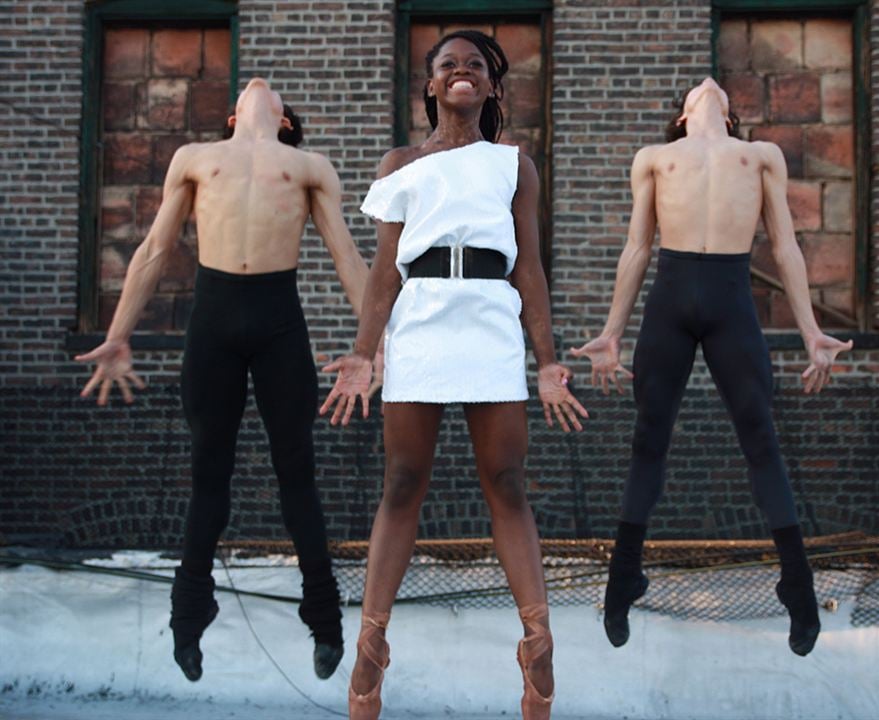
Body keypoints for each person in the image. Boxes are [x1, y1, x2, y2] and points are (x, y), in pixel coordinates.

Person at [320, 30, 587, 720]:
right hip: (422, 318)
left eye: (475, 66)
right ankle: (372, 642)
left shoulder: (512, 165)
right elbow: (384, 273)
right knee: (403, 481)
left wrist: (548, 360)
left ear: (491, 89)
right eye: (448, 66)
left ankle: (537, 638)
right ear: (432, 87)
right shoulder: (400, 163)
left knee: (506, 481)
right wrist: (363, 350)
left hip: (491, 316)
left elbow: (529, 268)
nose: (462, 72)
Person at [75, 78, 369, 682]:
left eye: (275, 93)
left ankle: (325, 620)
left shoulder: (308, 164)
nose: (260, 85)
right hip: (213, 323)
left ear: (284, 120)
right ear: (232, 118)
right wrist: (118, 333)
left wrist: (373, 347)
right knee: (209, 473)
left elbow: (345, 254)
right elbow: (156, 247)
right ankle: (190, 615)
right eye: (247, 90)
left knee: (297, 475)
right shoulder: (195, 159)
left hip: (279, 322)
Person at [572, 77, 853, 657]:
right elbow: (637, 247)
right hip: (670, 298)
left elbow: (786, 246)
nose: (708, 82)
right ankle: (623, 579)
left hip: (730, 299)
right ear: (683, 114)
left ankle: (797, 587)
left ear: (729, 113)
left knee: (761, 437)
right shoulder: (654, 158)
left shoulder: (759, 156)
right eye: (698, 89)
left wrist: (811, 333)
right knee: (649, 437)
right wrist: (611, 333)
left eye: (720, 88)